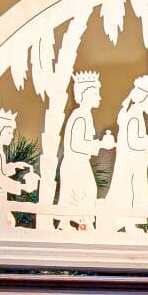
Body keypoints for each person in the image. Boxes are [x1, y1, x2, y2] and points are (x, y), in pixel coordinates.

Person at [105, 76, 148, 232]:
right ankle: (125, 224)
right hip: (130, 167)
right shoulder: (133, 117)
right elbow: (135, 143)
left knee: (131, 193)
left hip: (134, 166)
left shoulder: (134, 116)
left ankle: (129, 224)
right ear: (144, 98)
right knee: (128, 193)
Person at [58, 71, 115, 228]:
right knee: (81, 194)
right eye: (96, 93)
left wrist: (101, 144)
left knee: (85, 193)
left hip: (79, 164)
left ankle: (79, 224)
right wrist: (101, 144)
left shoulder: (84, 115)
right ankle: (72, 224)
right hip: (75, 164)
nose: (99, 97)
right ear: (85, 94)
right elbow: (76, 145)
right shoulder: (80, 116)